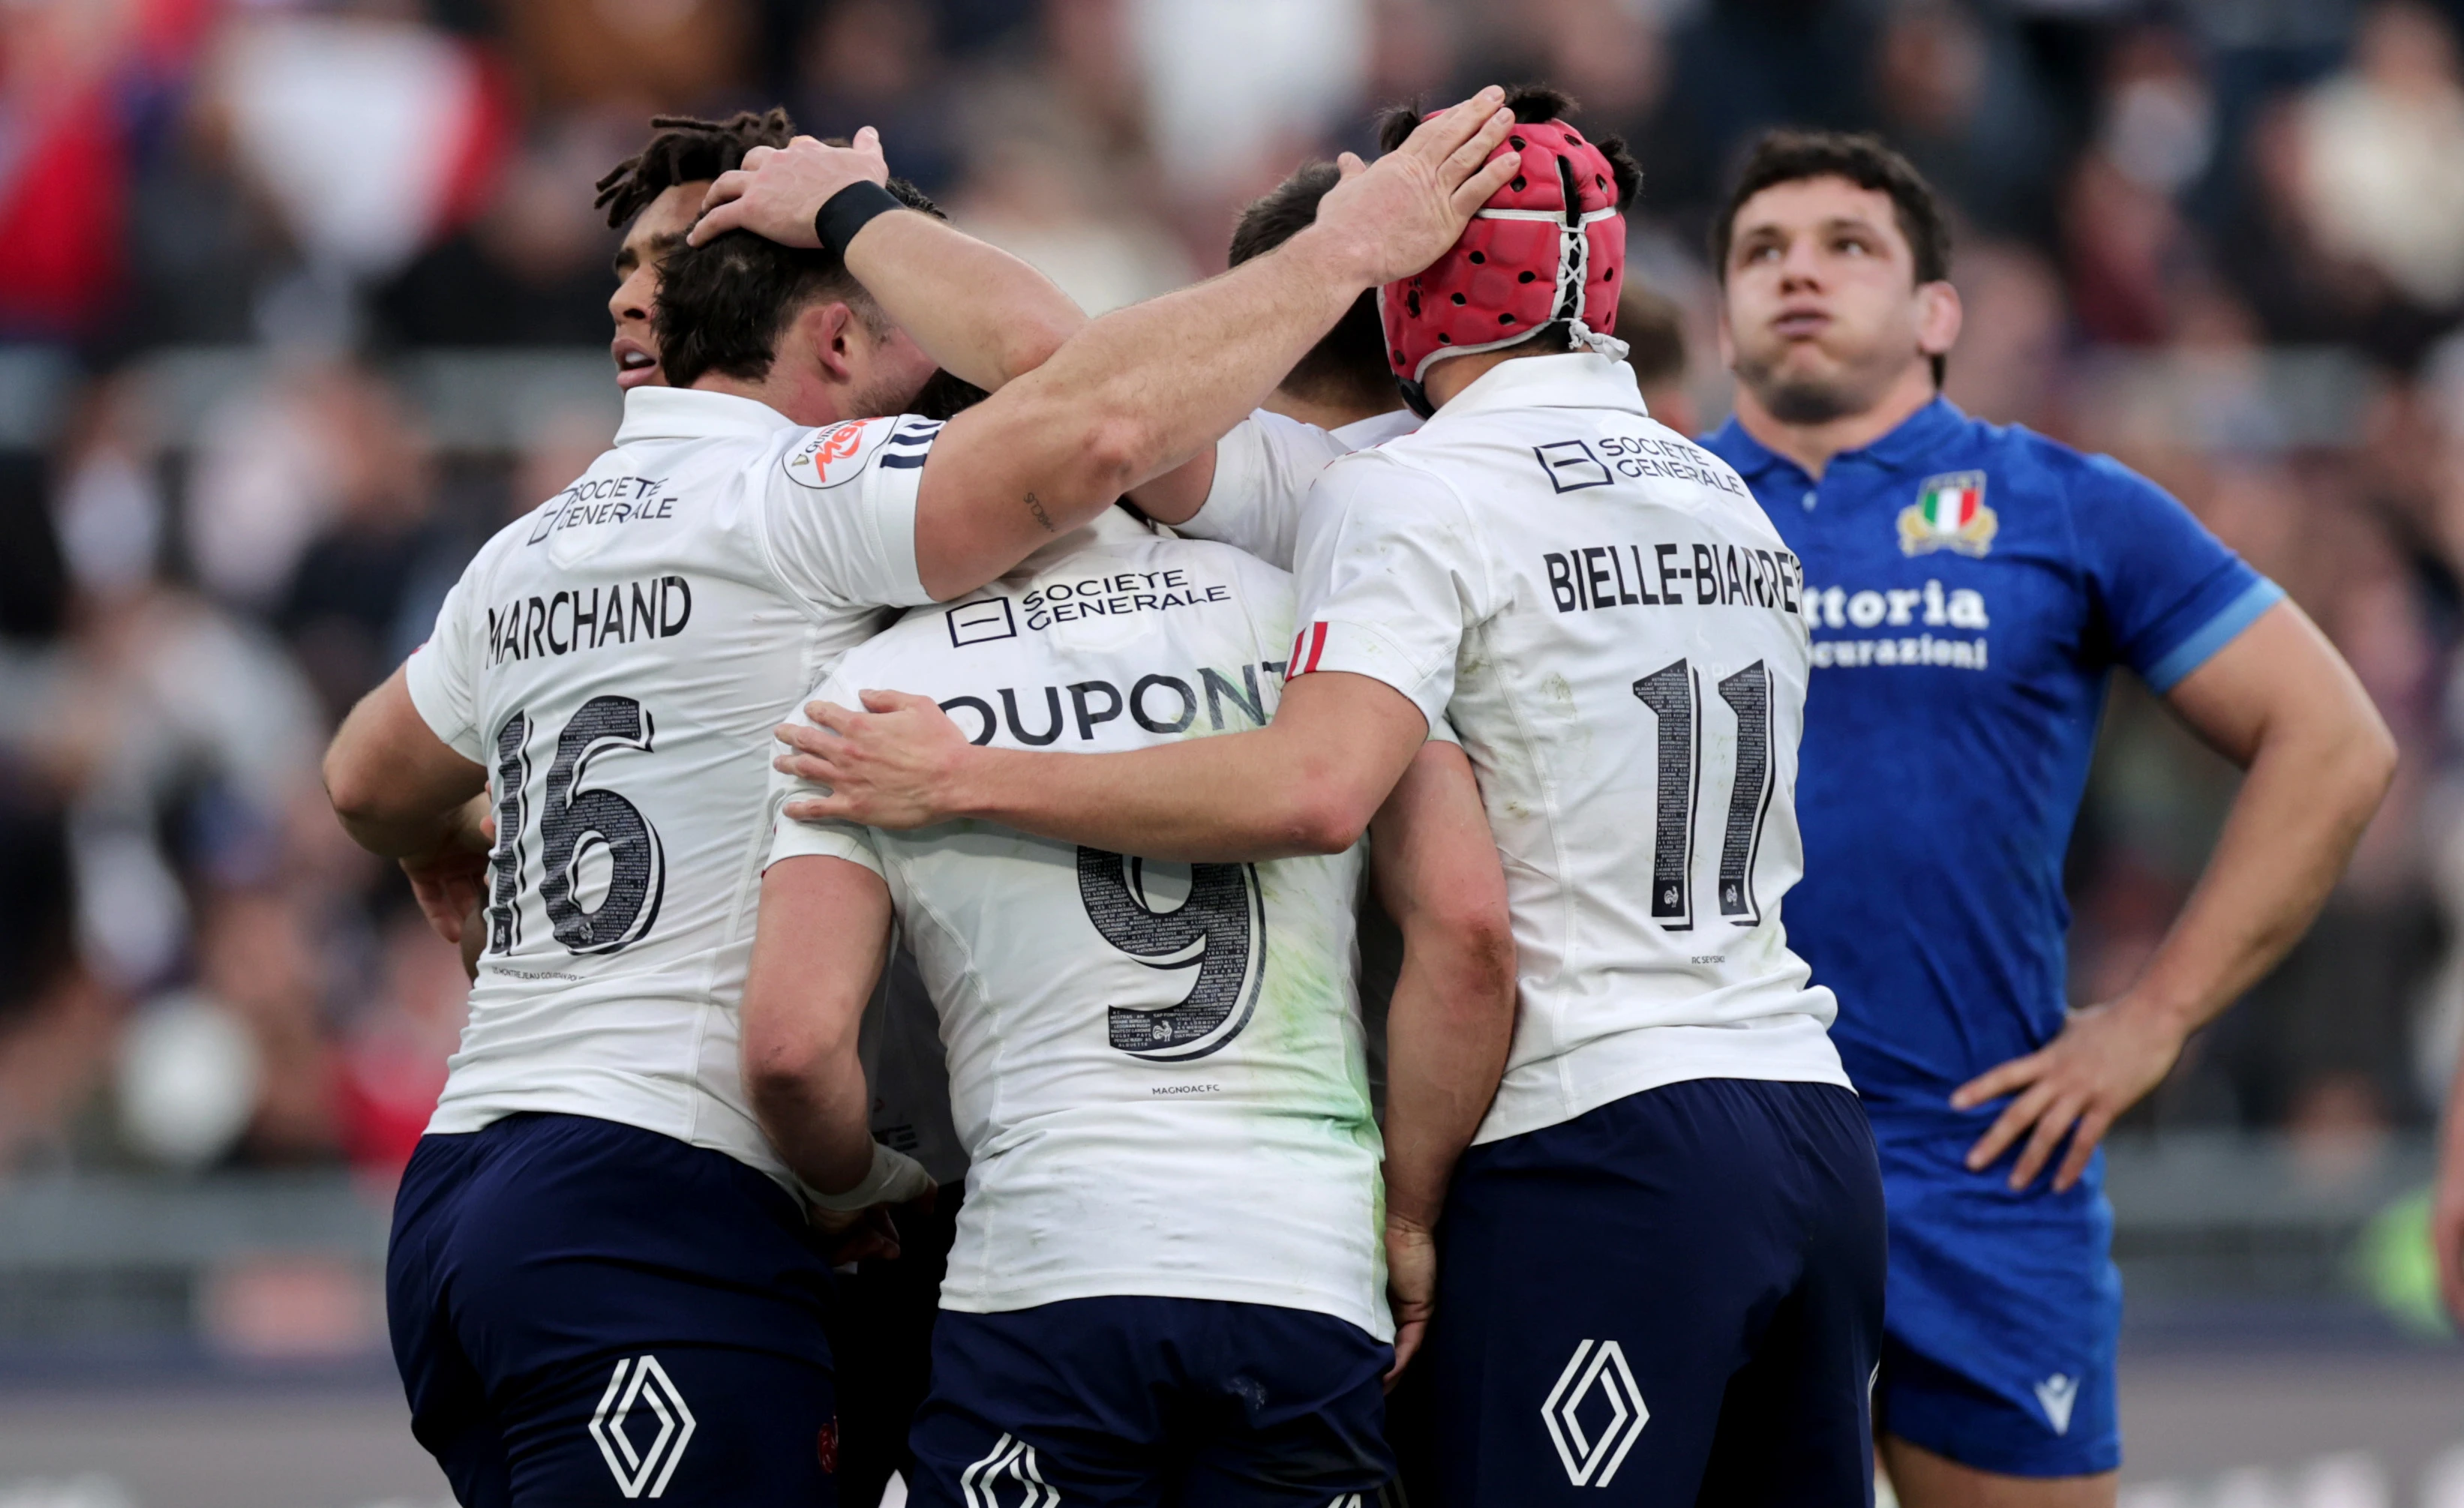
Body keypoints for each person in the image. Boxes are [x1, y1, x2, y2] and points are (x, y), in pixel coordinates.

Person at [323, 94, 1522, 1507]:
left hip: (468, 1192)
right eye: (906, 333)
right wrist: (1344, 250)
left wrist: (454, 841)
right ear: (838, 338)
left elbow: (363, 777)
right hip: (673, 1203)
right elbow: (1094, 423)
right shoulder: (813, 495)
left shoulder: (525, 550)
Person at [774, 91, 1888, 1506]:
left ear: (1417, 275)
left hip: (1596, 1143)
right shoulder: (1732, 500)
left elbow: (1092, 403)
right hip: (1809, 1120)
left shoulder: (1409, 493)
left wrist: (855, 218)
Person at [1694, 130, 2396, 1507]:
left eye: (1850, 247)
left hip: (1982, 1153)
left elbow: (2334, 740)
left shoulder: (2061, 507)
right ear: (1721, 308)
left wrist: (2156, 1016)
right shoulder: (1661, 510)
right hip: (1719, 1146)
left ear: (1937, 312)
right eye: (1762, 250)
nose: (1800, 274)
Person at [744, 499, 1513, 1507]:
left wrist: (861, 1186)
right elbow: (1470, 934)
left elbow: (791, 1048)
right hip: (1305, 1263)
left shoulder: (872, 694)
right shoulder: (1320, 622)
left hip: (1042, 1265)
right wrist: (1409, 1216)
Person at [590, 108, 969, 1508]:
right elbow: (396, 769)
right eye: (628, 267)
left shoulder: (934, 479)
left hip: (963, 1185)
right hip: (783, 1190)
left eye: (680, 258)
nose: (640, 292)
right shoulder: (591, 540)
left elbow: (1104, 404)